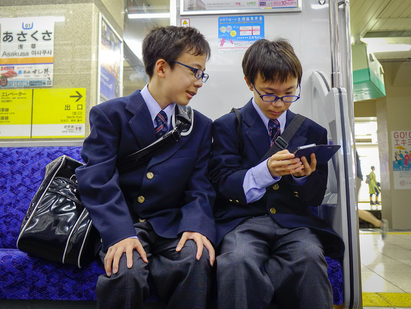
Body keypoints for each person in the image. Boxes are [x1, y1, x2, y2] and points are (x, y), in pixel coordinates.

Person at [76, 26, 216, 309]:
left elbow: (200, 186)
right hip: (123, 221)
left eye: (202, 73)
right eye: (194, 71)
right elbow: (97, 180)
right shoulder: (110, 115)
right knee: (125, 270)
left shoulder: (199, 126)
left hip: (170, 226)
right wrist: (120, 234)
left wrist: (196, 226)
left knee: (196, 258)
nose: (199, 82)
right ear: (162, 67)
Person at [209, 38, 344, 309]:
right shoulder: (227, 126)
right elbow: (222, 184)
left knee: (309, 258)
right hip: (242, 222)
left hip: (294, 223)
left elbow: (315, 197)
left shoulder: (312, 132)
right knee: (237, 260)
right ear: (249, 83)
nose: (279, 103)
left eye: (289, 93)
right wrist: (265, 172)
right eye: (268, 93)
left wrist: (302, 177)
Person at [356, 153, 388, 238]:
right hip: (353, 177)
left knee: (352, 208)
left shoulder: (345, 145)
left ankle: (379, 223)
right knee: (352, 209)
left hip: (351, 177)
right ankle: (378, 223)